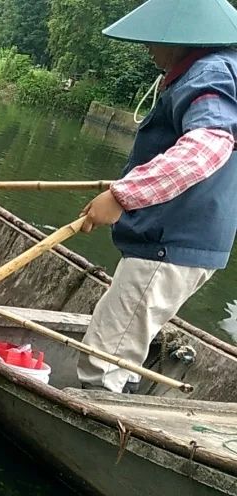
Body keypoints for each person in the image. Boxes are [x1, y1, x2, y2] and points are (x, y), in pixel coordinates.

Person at [78, 0, 237, 393]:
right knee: (126, 346)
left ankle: (97, 424)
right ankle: (123, 395)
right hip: (194, 242)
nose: (148, 48)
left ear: (183, 37)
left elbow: (208, 146)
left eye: (156, 38)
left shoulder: (210, 73)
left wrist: (122, 196)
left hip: (170, 242)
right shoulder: (218, 70)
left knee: (104, 356)